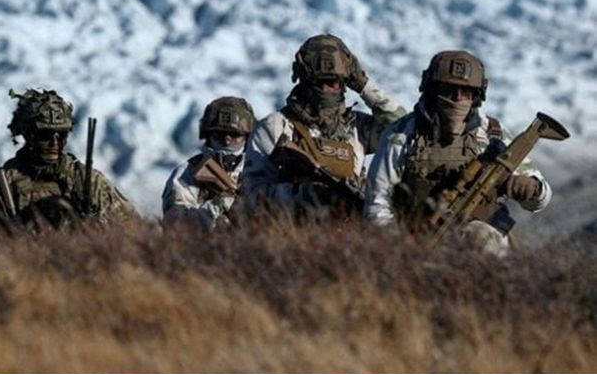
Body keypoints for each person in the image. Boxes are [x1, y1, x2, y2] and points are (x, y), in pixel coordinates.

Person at [364, 50, 551, 254]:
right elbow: (377, 203)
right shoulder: (401, 134)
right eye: (449, 91)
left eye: (466, 93)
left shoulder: (492, 134)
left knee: (484, 238)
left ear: (476, 96)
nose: (458, 99)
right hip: (416, 239)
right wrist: (400, 249)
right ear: (432, 90)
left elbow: (541, 199)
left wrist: (531, 188)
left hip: (481, 241)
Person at [242, 33, 406, 221]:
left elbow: (403, 129)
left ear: (345, 83)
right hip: (291, 232)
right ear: (305, 80)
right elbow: (251, 197)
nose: (327, 89)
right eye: (320, 82)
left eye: (334, 82)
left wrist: (363, 85)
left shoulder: (358, 127)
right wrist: (305, 195)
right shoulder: (276, 127)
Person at [0, 89, 136, 229]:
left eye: (61, 135)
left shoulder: (88, 181)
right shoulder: (2, 183)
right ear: (28, 135)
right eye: (45, 135)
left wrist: (96, 227)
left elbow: (132, 226)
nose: (55, 143)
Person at [162, 96, 255, 230]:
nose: (227, 141)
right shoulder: (187, 173)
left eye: (235, 135)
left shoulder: (259, 169)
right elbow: (174, 224)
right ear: (208, 135)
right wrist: (216, 207)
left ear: (247, 137)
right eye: (219, 134)